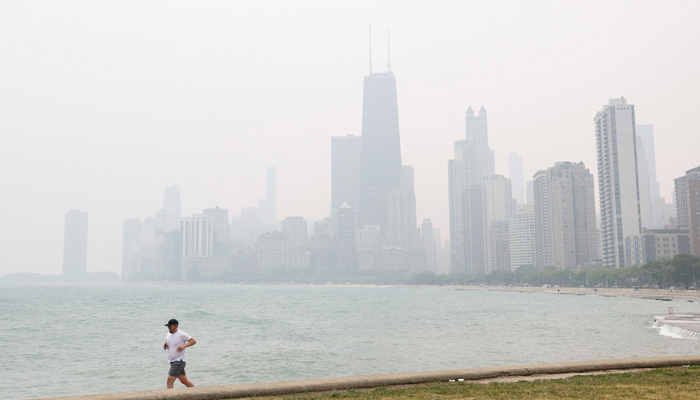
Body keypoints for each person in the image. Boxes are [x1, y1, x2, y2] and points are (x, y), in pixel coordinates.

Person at [163, 318, 197, 389]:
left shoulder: (181, 334)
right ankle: (197, 392)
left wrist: (183, 346)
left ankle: (169, 397)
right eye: (168, 326)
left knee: (169, 381)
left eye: (170, 326)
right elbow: (169, 343)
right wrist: (165, 345)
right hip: (172, 361)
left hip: (179, 361)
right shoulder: (168, 335)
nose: (168, 328)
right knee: (184, 381)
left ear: (175, 326)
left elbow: (193, 341)